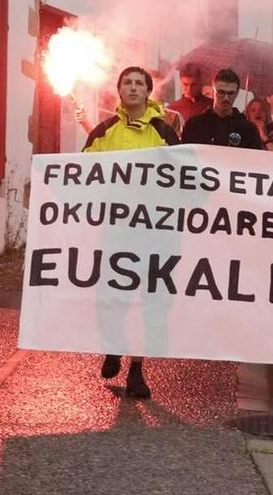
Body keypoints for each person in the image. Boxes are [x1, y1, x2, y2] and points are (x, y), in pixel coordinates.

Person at [83, 66, 180, 399]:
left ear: (148, 91)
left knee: (148, 301)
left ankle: (138, 370)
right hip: (114, 229)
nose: (134, 88)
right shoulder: (103, 131)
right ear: (120, 90)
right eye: (128, 83)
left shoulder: (165, 133)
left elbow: (180, 179)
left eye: (140, 83)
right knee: (112, 297)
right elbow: (82, 175)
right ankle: (113, 346)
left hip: (152, 232)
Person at [181, 68, 262, 149]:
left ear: (237, 93)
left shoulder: (248, 129)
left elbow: (254, 159)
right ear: (213, 91)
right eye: (221, 92)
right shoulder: (194, 125)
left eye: (231, 93)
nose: (226, 98)